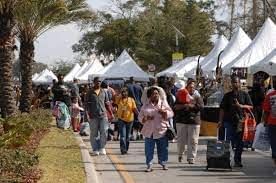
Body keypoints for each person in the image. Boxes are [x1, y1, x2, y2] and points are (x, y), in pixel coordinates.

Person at [218, 76, 253, 167]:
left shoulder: (245, 94)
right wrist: (220, 121)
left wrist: (240, 106)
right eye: (233, 82)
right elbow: (222, 109)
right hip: (229, 121)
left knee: (240, 143)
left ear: (240, 83)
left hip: (241, 122)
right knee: (229, 141)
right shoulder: (227, 95)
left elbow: (251, 106)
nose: (235, 84)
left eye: (236, 82)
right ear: (231, 84)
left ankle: (237, 160)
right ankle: (228, 160)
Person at [138, 86, 173, 172]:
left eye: (157, 93)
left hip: (162, 130)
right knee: (148, 150)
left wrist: (165, 113)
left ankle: (163, 163)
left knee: (163, 148)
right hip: (149, 131)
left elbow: (171, 113)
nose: (156, 95)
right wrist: (145, 118)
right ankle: (149, 165)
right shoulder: (145, 105)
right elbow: (140, 116)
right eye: (153, 94)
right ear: (150, 96)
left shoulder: (163, 103)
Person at [174, 79, 204, 164]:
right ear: (186, 87)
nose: (192, 89)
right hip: (181, 121)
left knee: (193, 141)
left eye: (193, 87)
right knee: (181, 141)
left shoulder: (197, 96)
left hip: (194, 121)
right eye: (190, 87)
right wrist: (185, 105)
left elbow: (201, 107)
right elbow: (175, 107)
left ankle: (191, 158)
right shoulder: (180, 94)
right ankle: (180, 154)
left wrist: (191, 106)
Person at [86, 77, 111, 156]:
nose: (98, 83)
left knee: (104, 131)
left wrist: (111, 113)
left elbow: (107, 103)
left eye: (100, 82)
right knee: (94, 133)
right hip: (93, 115)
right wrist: (87, 114)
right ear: (94, 82)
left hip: (103, 115)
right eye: (97, 82)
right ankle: (95, 149)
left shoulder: (104, 92)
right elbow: (86, 104)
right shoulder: (89, 92)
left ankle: (102, 147)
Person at [115, 87, 138, 154]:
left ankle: (126, 149)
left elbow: (134, 109)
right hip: (121, 120)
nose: (124, 93)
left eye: (125, 92)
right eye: (122, 92)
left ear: (128, 93)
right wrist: (119, 95)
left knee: (127, 137)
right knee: (122, 136)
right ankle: (123, 150)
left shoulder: (131, 100)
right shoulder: (119, 99)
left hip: (130, 120)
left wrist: (139, 115)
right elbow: (115, 100)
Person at [263, 76, 276, 175]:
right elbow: (266, 111)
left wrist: (264, 122)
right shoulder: (269, 95)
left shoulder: (269, 95)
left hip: (272, 125)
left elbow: (266, 112)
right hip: (272, 125)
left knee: (274, 147)